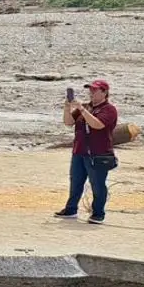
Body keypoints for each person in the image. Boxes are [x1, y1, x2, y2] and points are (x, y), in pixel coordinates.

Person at [55, 79, 119, 224]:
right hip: (79, 150)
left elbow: (98, 124)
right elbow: (68, 122)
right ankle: (71, 209)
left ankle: (98, 213)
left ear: (104, 92)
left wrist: (82, 110)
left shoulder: (109, 109)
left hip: (98, 153)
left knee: (97, 184)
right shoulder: (86, 107)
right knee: (75, 181)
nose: (91, 93)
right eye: (90, 90)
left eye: (95, 90)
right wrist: (67, 107)